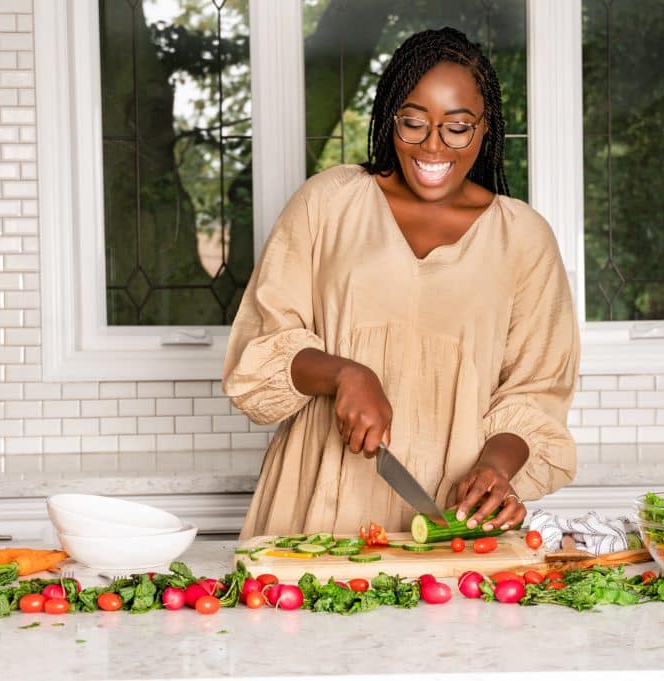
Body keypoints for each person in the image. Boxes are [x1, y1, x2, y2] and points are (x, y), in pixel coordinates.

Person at [223, 27, 578, 540]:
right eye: (413, 123)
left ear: (486, 128)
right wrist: (345, 373)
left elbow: (535, 393)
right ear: (390, 118)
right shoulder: (329, 203)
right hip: (314, 504)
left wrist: (497, 470)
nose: (433, 145)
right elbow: (258, 352)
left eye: (457, 127)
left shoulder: (522, 237)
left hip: (447, 517)